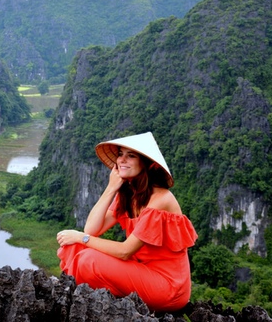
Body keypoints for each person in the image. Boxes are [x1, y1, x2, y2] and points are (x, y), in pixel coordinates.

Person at [56, 132, 198, 312]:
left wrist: (81, 237)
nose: (122, 160)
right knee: (74, 247)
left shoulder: (161, 199)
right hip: (141, 271)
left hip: (168, 287)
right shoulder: (128, 195)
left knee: (88, 257)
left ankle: (77, 296)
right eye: (120, 154)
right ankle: (83, 295)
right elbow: (91, 229)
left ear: (147, 164)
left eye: (131, 156)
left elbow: (125, 251)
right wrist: (111, 188)